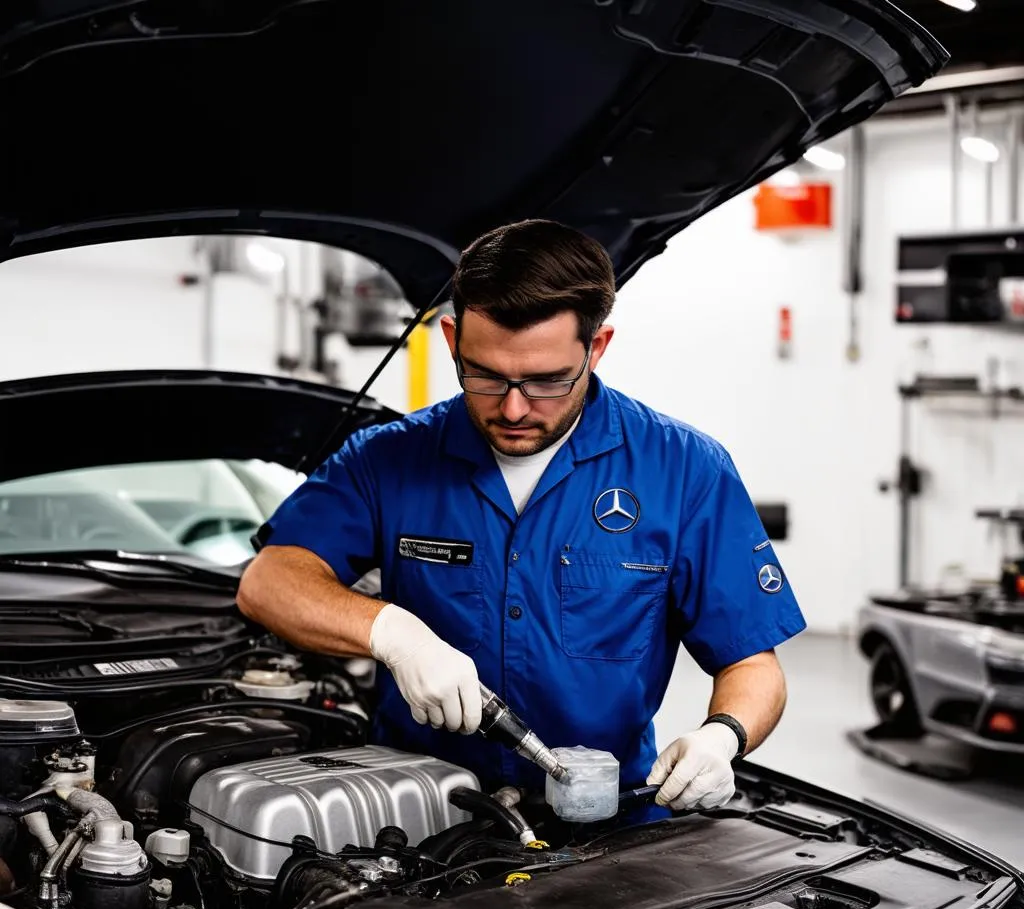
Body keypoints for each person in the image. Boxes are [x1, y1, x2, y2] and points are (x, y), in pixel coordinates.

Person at [236, 219, 806, 811]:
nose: (513, 408)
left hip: (608, 825)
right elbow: (270, 581)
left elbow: (753, 663)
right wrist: (395, 635)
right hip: (417, 824)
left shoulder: (685, 469)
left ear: (597, 347)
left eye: (547, 381)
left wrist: (723, 737)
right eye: (485, 375)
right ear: (453, 341)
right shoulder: (388, 459)